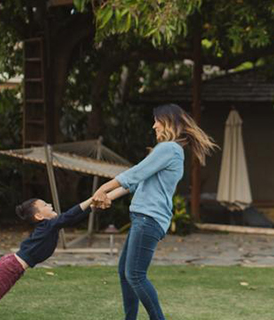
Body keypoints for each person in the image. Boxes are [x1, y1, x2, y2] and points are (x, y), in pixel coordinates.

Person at [91, 103, 217, 320]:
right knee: (125, 273)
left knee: (135, 275)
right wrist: (106, 199)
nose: (153, 125)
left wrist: (102, 188)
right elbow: (138, 182)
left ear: (168, 122)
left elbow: (135, 173)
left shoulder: (169, 149)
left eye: (157, 120)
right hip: (144, 218)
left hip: (148, 219)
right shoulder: (168, 151)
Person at [0, 187, 129, 303]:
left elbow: (71, 218)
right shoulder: (49, 225)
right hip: (12, 267)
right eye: (46, 205)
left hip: (8, 260)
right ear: (39, 215)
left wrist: (98, 200)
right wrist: (91, 199)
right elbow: (71, 215)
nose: (50, 205)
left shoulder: (48, 226)